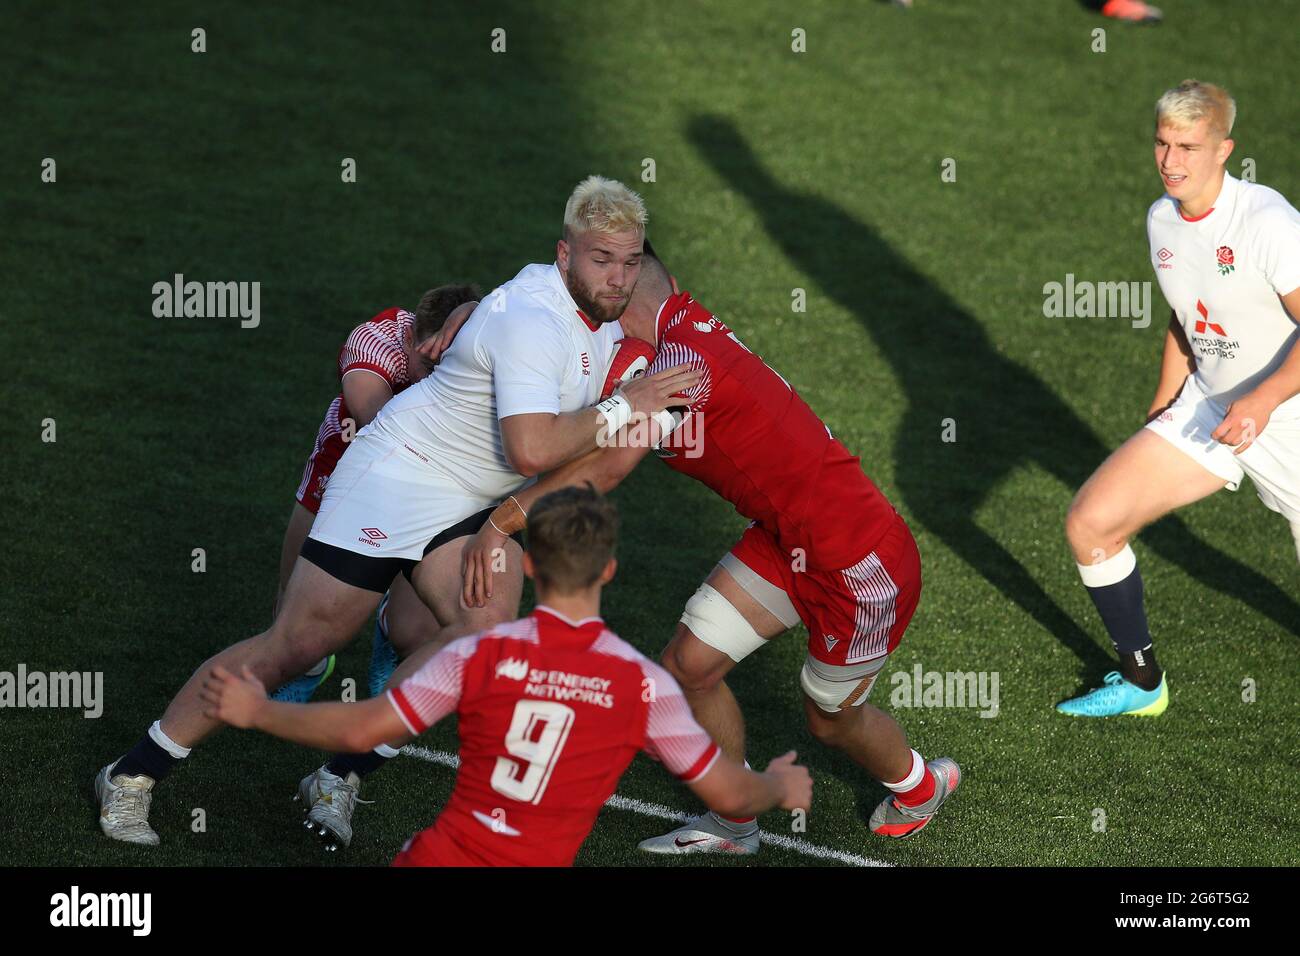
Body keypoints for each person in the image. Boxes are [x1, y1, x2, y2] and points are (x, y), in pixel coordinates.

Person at [93, 176, 700, 847]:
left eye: (629, 263)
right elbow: (533, 448)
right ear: (565, 257)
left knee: (481, 639)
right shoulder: (533, 320)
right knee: (298, 645)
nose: (617, 279)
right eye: (602, 261)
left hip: (464, 500)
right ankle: (132, 773)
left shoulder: (596, 323)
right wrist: (626, 409)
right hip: (399, 477)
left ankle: (341, 775)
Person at [463, 247, 959, 854]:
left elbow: (610, 467)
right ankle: (734, 820)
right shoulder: (674, 333)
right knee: (690, 665)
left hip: (860, 566)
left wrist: (502, 521)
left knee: (829, 721)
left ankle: (919, 785)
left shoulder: (679, 365)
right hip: (788, 542)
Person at [201, 487, 812, 866]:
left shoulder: (481, 652)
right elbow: (731, 796)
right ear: (609, 570)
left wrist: (260, 711)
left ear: (528, 564)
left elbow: (364, 727)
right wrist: (779, 786)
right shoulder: (642, 686)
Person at [1059, 80, 1300, 718]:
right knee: (1091, 524)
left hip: (1288, 417)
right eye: (1163, 144)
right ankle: (1143, 684)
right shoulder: (1162, 218)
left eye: (1188, 147)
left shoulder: (1267, 222)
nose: (1171, 161)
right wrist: (1166, 399)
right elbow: (1187, 313)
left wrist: (1265, 401)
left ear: (1225, 149)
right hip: (1210, 405)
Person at [273, 286, 480, 704]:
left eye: (448, 366)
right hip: (351, 463)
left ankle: (389, 629)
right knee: (293, 624)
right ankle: (311, 665)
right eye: (427, 364)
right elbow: (380, 428)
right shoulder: (375, 343)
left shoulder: (486, 349)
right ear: (408, 338)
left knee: (416, 632)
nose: (436, 379)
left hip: (436, 481)